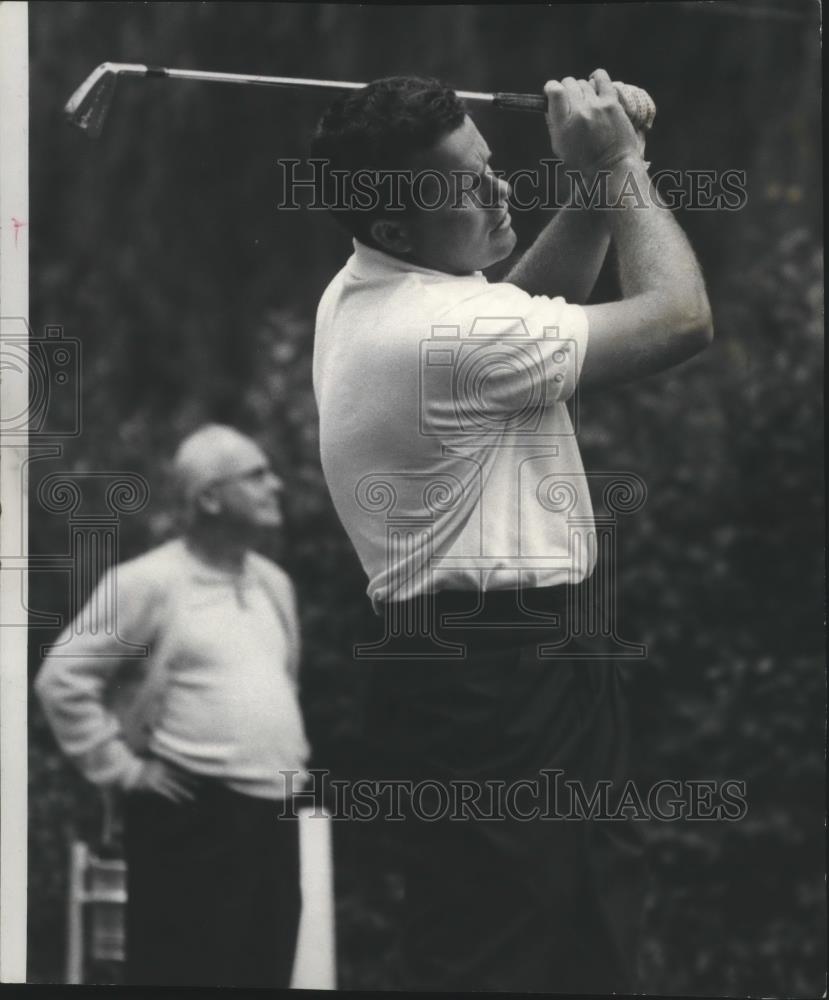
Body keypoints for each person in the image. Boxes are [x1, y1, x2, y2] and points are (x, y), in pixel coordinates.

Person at [310, 71, 713, 992]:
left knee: (572, 940)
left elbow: (525, 311)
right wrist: (614, 163)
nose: (497, 190)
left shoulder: (367, 291)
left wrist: (599, 186)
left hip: (491, 665)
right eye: (463, 186)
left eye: (489, 165)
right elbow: (680, 320)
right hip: (497, 671)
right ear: (396, 228)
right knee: (502, 960)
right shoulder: (441, 332)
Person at [35, 424, 310, 988]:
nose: (274, 486)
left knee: (267, 973)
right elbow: (62, 678)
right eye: (256, 475)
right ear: (209, 497)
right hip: (189, 818)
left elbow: (282, 686)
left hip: (271, 820)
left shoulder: (274, 584)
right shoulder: (149, 583)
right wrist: (124, 770)